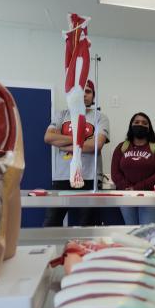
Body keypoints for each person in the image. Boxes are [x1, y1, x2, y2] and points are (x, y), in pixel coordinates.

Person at [43, 80, 110, 226]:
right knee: (51, 223)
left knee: (88, 225)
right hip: (62, 177)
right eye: (81, 91)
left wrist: (64, 145)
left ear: (93, 96)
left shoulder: (100, 117)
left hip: (89, 177)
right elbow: (48, 137)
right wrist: (81, 140)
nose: (84, 95)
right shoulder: (61, 115)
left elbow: (96, 145)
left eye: (88, 91)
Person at [111, 112, 155, 225]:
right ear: (131, 125)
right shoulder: (121, 147)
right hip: (126, 195)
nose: (140, 125)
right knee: (131, 231)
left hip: (151, 196)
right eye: (136, 122)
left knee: (147, 232)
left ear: (149, 127)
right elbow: (115, 173)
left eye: (144, 123)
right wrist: (128, 188)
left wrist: (137, 188)